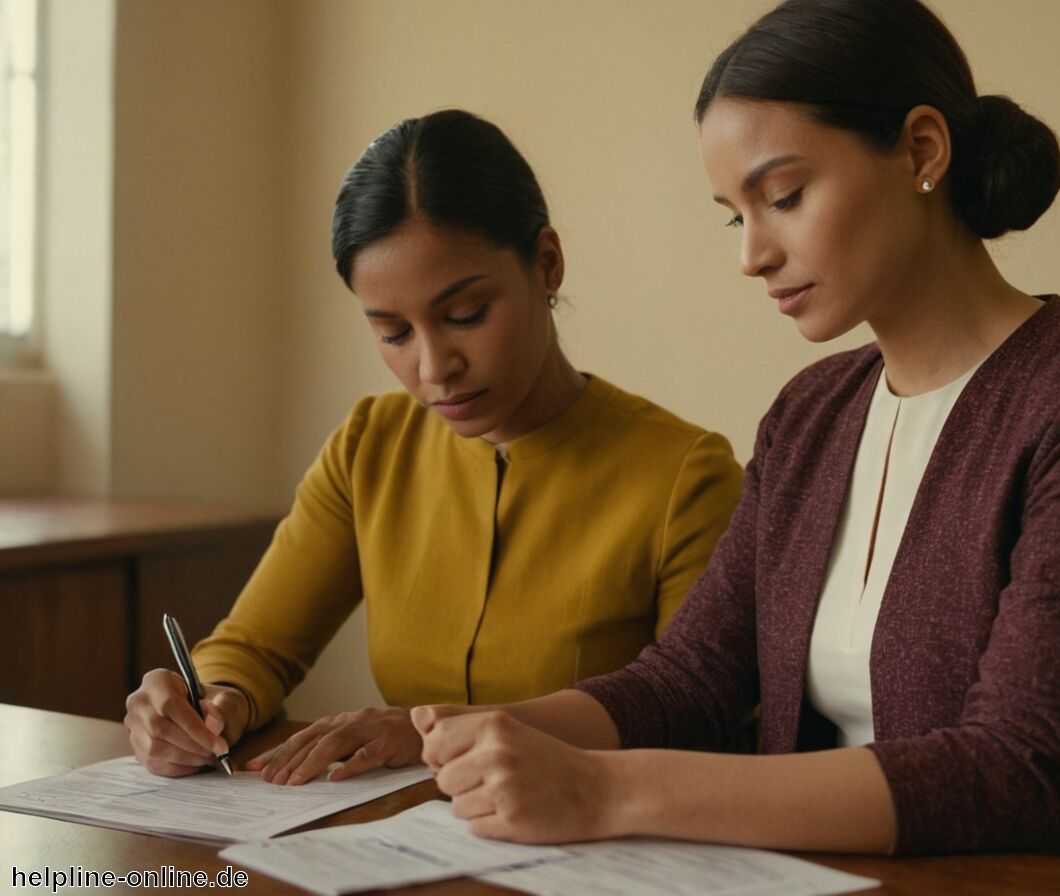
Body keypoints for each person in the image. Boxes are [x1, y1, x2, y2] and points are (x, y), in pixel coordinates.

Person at [414, 0, 1060, 868]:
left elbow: (1021, 766)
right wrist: (461, 733)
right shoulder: (811, 415)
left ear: (922, 151)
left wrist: (604, 789)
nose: (752, 254)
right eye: (736, 213)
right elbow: (690, 681)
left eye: (785, 196)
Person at [123, 109, 743, 785]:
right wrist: (208, 703)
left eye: (466, 316)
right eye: (393, 333)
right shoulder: (371, 447)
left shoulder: (686, 475)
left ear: (547, 264)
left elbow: (694, 717)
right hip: (401, 846)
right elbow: (256, 646)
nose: (433, 366)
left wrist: (426, 736)